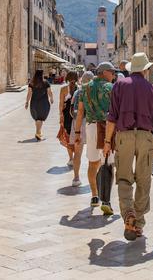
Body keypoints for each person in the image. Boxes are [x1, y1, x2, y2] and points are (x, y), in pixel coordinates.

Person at [103, 53, 153, 241]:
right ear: (146, 69)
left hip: (123, 136)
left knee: (123, 177)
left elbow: (112, 117)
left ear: (132, 68)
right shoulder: (151, 89)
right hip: (145, 137)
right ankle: (138, 221)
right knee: (143, 179)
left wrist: (108, 142)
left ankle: (128, 214)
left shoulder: (119, 85)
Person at [74, 62, 116, 215]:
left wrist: (77, 133)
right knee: (108, 163)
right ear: (104, 72)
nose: (114, 75)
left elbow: (80, 112)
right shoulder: (111, 88)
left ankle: (94, 195)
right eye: (112, 72)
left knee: (93, 163)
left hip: (91, 127)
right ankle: (107, 200)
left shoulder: (84, 88)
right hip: (107, 128)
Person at [69, 71, 93, 187]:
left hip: (77, 123)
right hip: (90, 123)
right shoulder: (94, 92)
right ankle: (93, 178)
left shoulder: (77, 92)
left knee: (77, 153)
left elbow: (71, 108)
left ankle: (76, 178)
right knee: (93, 152)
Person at [25, 69, 53, 141]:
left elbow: (29, 93)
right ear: (42, 75)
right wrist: (51, 99)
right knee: (40, 118)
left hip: (34, 103)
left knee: (37, 118)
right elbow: (50, 92)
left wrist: (27, 102)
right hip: (44, 103)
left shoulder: (31, 83)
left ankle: (38, 132)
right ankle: (38, 132)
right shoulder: (46, 83)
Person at [59, 71, 79, 168]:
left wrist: (60, 115)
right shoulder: (79, 89)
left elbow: (61, 104)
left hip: (67, 116)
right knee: (75, 137)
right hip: (76, 116)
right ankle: (76, 157)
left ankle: (71, 159)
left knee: (68, 137)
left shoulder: (63, 89)